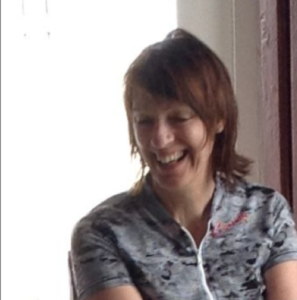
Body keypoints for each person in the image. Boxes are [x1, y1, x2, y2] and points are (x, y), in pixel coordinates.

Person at [70, 28, 297, 300]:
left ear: (217, 120)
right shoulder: (103, 233)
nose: (160, 139)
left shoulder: (267, 212)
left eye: (179, 118)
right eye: (145, 121)